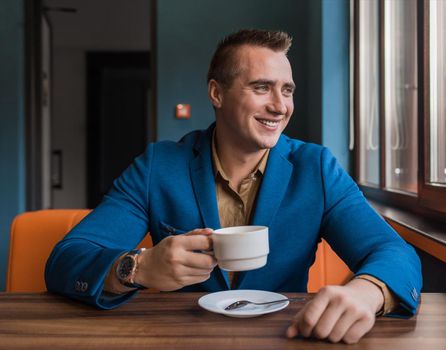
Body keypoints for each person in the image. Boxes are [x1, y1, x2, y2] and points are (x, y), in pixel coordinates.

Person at [45, 29, 422, 344]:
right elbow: (67, 259)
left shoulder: (316, 168)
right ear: (217, 93)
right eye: (262, 88)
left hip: (287, 338)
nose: (280, 106)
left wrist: (367, 291)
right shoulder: (158, 166)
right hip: (182, 341)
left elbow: (393, 252)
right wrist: (138, 267)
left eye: (287, 90)